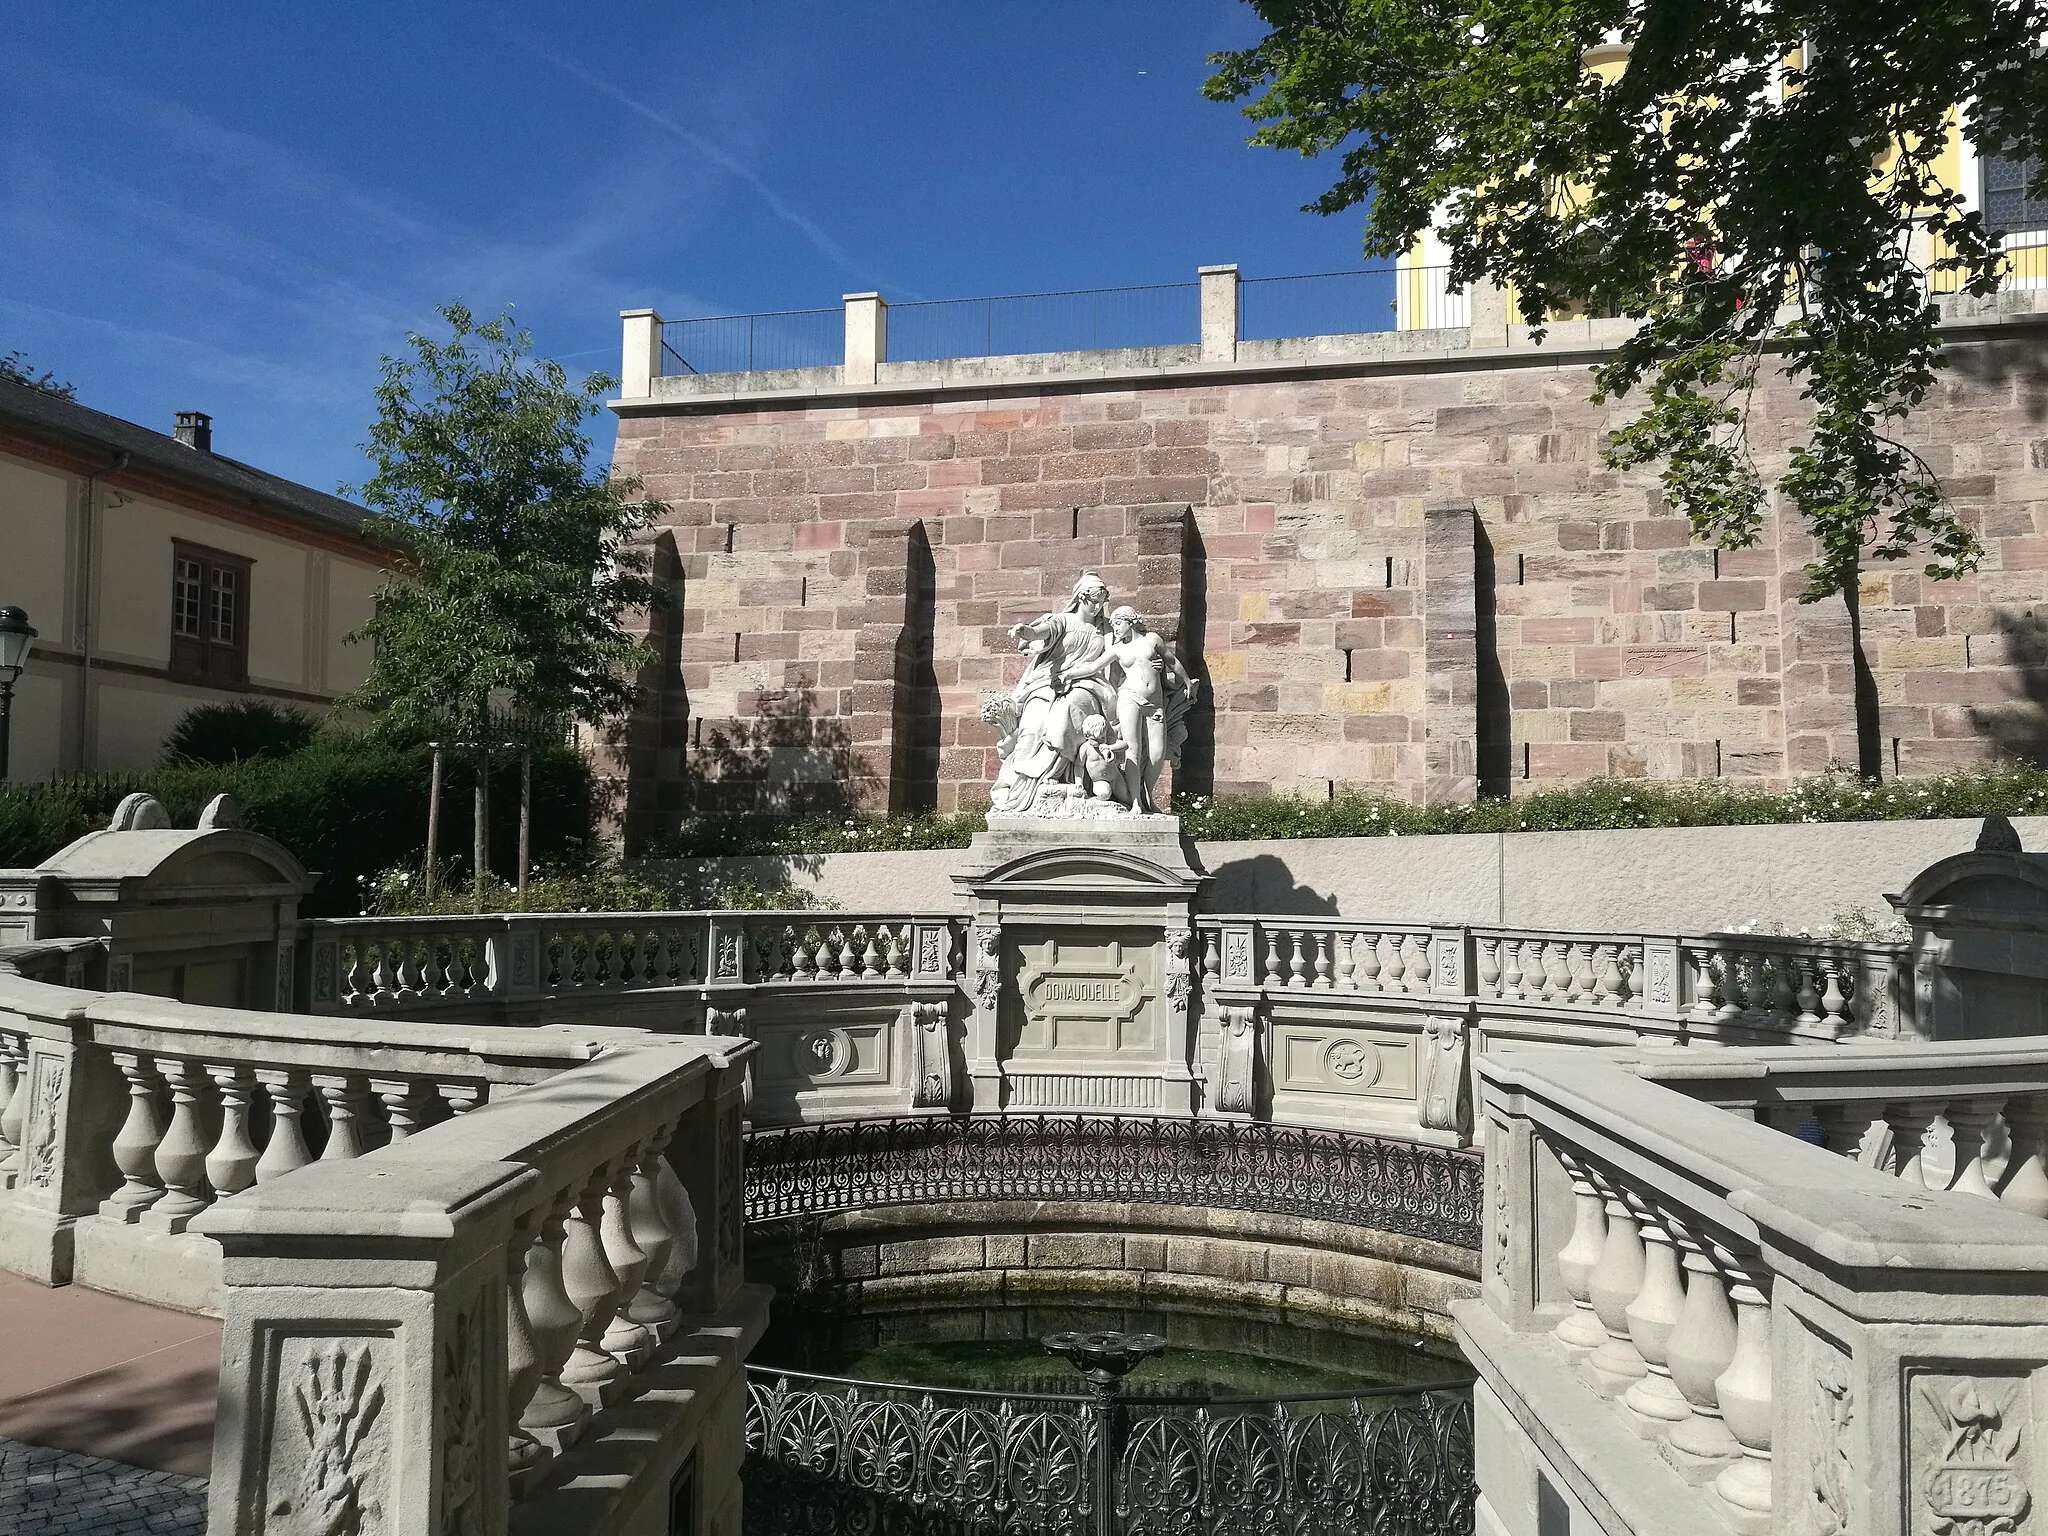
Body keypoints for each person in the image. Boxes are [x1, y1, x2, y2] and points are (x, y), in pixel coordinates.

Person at [989, 573, 1117, 811]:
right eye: (1094, 600)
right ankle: (1023, 788)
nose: (1098, 606)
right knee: (1032, 727)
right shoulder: (1063, 621)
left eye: (1102, 601)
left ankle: (1055, 779)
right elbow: (1040, 632)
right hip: (1046, 684)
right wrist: (1024, 630)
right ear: (1081, 597)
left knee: (1066, 714)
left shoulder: (1106, 629)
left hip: (1086, 685)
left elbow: (1125, 649)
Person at [1106, 606, 1195, 813]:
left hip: (1154, 703)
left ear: (1130, 621)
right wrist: (1066, 674)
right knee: (1132, 750)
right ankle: (1136, 800)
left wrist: (1187, 682)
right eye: (1112, 625)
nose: (1115, 629)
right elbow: (1094, 668)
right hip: (1129, 698)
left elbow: (1171, 660)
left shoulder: (1152, 639)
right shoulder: (1117, 648)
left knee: (1157, 753)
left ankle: (1147, 792)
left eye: (1118, 624)